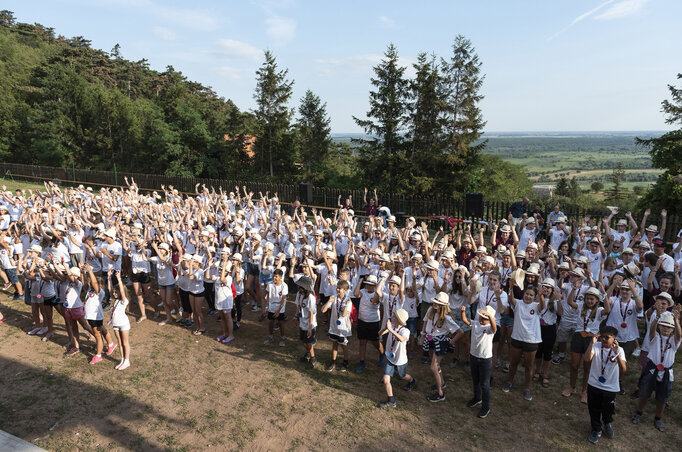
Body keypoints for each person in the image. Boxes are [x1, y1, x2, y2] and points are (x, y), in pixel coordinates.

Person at [631, 309, 681, 432]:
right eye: (663, 326)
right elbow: (652, 329)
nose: (665, 329)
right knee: (644, 393)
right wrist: (657, 317)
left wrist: (676, 320)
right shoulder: (655, 337)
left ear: (673, 329)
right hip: (652, 368)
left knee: (662, 397)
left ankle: (658, 418)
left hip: (666, 372)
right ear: (659, 326)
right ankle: (639, 412)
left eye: (669, 327)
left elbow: (679, 335)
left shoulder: (674, 342)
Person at [563, 287, 611, 403]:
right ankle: (572, 387)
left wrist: (604, 294)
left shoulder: (599, 310)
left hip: (591, 339)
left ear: (596, 300)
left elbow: (608, 310)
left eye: (592, 299)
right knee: (574, 365)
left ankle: (584, 391)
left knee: (587, 367)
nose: (589, 301)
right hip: (578, 337)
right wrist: (574, 289)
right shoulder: (580, 306)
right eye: (587, 298)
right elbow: (569, 302)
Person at [584, 325, 627, 444]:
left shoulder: (620, 350)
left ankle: (607, 422)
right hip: (594, 384)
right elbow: (587, 359)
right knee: (593, 408)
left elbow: (623, 369)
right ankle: (596, 429)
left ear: (614, 339)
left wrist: (616, 353)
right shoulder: (596, 346)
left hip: (611, 387)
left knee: (608, 409)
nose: (603, 340)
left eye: (606, 337)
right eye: (601, 337)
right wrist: (591, 344)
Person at [503, 285, 544, 401]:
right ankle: (509, 382)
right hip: (517, 338)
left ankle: (527, 388)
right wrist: (511, 288)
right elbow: (511, 300)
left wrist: (541, 295)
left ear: (534, 297)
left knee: (528, 365)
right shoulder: (518, 304)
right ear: (523, 294)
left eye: (531, 295)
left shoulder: (536, 306)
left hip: (531, 340)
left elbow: (543, 306)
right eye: (527, 294)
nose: (528, 296)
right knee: (513, 363)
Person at [420, 292, 463, 402]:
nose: (435, 304)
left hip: (439, 342)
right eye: (435, 301)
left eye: (438, 303)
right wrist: (423, 334)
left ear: (443, 306)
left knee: (433, 367)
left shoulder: (447, 318)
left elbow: (460, 332)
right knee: (435, 365)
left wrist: (450, 342)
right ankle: (441, 383)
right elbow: (425, 322)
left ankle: (440, 393)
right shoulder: (430, 310)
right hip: (430, 339)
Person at [460, 304, 497, 418]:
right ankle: (477, 398)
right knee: (475, 380)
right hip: (474, 356)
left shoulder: (490, 329)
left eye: (484, 318)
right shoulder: (475, 324)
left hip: (485, 359)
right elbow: (465, 320)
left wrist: (490, 316)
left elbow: (495, 328)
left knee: (484, 384)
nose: (481, 319)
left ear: (490, 319)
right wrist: (463, 311)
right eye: (481, 316)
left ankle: (486, 407)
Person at [379, 308, 416, 408]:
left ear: (399, 320)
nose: (392, 317)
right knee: (386, 379)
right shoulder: (393, 327)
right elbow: (380, 334)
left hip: (400, 360)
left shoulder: (405, 331)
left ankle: (412, 381)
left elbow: (402, 339)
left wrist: (391, 330)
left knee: (402, 376)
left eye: (394, 316)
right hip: (390, 358)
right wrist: (386, 328)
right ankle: (391, 400)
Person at [321, 280, 353, 371]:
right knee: (334, 343)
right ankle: (333, 361)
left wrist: (346, 306)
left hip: (343, 328)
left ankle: (346, 361)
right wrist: (329, 301)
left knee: (344, 345)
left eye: (340, 288)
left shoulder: (348, 301)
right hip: (334, 326)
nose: (338, 290)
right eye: (337, 288)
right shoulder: (334, 298)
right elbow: (323, 310)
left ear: (345, 290)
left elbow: (343, 315)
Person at [108, 270, 131, 370]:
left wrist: (119, 279)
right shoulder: (115, 301)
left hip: (124, 325)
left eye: (116, 292)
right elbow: (109, 289)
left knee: (125, 343)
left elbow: (121, 290)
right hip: (116, 325)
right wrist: (109, 278)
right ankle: (122, 359)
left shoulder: (123, 301)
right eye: (113, 292)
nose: (114, 293)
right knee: (120, 342)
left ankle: (127, 360)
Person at [295, 275, 317, 367]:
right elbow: (298, 306)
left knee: (309, 342)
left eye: (300, 286)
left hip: (309, 323)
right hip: (302, 322)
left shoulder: (310, 298)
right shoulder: (299, 294)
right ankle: (307, 354)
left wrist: (310, 327)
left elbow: (311, 313)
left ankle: (313, 358)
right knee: (304, 341)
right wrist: (296, 316)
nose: (298, 287)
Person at [264, 268, 288, 347]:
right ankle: (270, 337)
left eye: (276, 276)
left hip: (280, 308)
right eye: (273, 276)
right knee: (270, 322)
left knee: (281, 323)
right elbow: (267, 296)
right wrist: (266, 307)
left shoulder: (284, 286)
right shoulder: (270, 284)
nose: (274, 278)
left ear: (281, 277)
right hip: (271, 307)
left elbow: (283, 299)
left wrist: (278, 310)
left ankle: (282, 338)